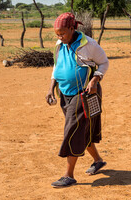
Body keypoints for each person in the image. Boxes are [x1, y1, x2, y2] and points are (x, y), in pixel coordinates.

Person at [46, 12, 109, 187]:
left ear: (72, 29)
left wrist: (95, 79)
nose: (59, 37)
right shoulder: (60, 44)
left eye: (63, 33)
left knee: (72, 129)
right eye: (57, 34)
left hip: (85, 94)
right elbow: (57, 67)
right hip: (65, 94)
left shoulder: (88, 44)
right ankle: (98, 160)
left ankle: (68, 175)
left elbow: (104, 62)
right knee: (81, 129)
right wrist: (51, 88)